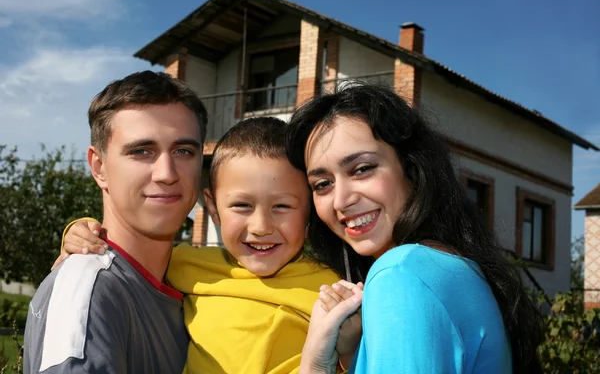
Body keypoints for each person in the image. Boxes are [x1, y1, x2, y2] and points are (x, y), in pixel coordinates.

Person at [58, 117, 360, 373]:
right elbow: (127, 253)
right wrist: (82, 230)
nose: (261, 227)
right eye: (242, 205)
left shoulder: (330, 288)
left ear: (308, 215)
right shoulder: (190, 265)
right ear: (214, 209)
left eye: (282, 207)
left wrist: (347, 348)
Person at [285, 83, 545, 373]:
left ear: (411, 168)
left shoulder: (401, 273)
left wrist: (315, 366)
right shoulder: (448, 267)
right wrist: (354, 353)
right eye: (322, 184)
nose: (341, 201)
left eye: (362, 169)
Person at [24, 70, 208, 373]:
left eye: (183, 151)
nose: (167, 172)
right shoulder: (87, 293)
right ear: (99, 167)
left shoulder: (192, 280)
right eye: (141, 151)